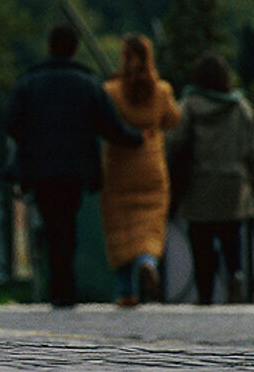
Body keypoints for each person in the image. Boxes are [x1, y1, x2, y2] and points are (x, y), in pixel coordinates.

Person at [8, 24, 143, 307]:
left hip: (40, 168)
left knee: (51, 221)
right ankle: (65, 287)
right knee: (67, 225)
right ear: (75, 49)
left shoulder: (29, 83)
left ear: (50, 47)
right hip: (75, 169)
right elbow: (109, 126)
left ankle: (57, 285)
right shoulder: (88, 83)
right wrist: (137, 139)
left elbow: (12, 122)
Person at [101, 34, 180, 307]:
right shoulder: (162, 91)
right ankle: (147, 261)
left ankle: (126, 291)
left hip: (119, 168)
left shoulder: (111, 91)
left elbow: (105, 123)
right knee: (151, 223)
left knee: (119, 226)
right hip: (152, 168)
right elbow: (173, 119)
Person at [167, 55, 252, 304]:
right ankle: (235, 275)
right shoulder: (240, 107)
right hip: (234, 185)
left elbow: (173, 142)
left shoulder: (189, 106)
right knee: (231, 236)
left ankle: (205, 294)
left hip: (199, 183)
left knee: (201, 240)